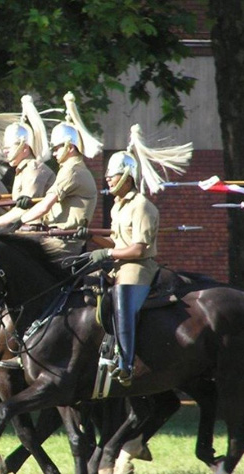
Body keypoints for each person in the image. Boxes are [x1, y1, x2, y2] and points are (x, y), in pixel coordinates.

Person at [85, 124, 192, 385]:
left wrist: (106, 252)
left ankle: (125, 361)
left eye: (113, 176)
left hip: (137, 266)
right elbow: (115, 239)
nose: (108, 180)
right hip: (118, 262)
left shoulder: (142, 206)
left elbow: (138, 248)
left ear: (127, 177)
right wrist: (88, 235)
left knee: (122, 295)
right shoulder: (118, 206)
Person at [0, 92, 103, 263]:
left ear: (70, 147)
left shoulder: (72, 170)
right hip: (54, 237)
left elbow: (44, 207)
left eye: (56, 148)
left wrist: (13, 223)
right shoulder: (69, 169)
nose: (53, 153)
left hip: (62, 242)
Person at [0, 95, 55, 229]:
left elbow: (24, 209)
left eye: (9, 148)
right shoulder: (23, 169)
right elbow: (18, 204)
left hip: (37, 231)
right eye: (4, 148)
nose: (5, 152)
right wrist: (3, 200)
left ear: (25, 148)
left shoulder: (34, 168)